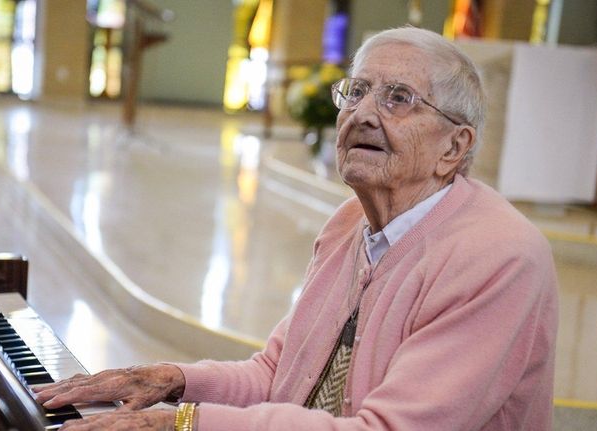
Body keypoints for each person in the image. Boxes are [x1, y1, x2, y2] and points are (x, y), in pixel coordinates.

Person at [34, 26, 558, 430]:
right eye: (357, 91)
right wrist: (176, 381)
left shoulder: (499, 258)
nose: (363, 114)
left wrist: (186, 422)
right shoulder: (350, 224)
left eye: (398, 98)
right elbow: (277, 376)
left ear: (454, 147)